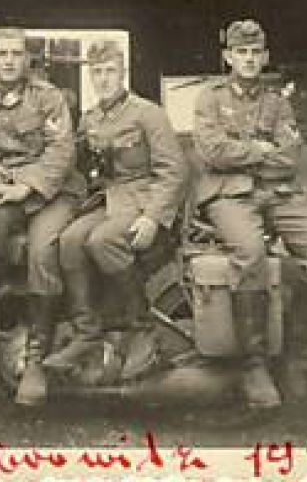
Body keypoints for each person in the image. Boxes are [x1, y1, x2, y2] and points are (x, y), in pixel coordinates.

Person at [192, 19, 307, 408]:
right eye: (240, 52)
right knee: (250, 253)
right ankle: (254, 365)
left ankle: (291, 353)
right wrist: (261, 151)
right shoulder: (209, 99)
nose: (248, 59)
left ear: (265, 57)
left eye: (255, 52)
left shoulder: (278, 102)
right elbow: (211, 152)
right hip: (229, 195)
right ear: (228, 57)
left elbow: (290, 157)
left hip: (278, 193)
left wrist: (244, 154)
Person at [0, 27, 86, 405]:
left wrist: (24, 186)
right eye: (2, 54)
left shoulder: (49, 98)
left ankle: (37, 359)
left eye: (16, 54)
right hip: (4, 192)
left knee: (43, 251)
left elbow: (61, 154)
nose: (9, 61)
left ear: (28, 60)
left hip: (51, 193)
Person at [44, 39, 189, 382]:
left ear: (123, 72)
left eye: (110, 71)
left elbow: (175, 171)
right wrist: (57, 137)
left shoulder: (148, 113)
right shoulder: (90, 119)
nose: (104, 79)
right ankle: (86, 332)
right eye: (97, 72)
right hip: (109, 201)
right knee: (69, 240)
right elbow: (80, 166)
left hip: (144, 200)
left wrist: (152, 218)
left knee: (102, 240)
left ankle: (141, 324)